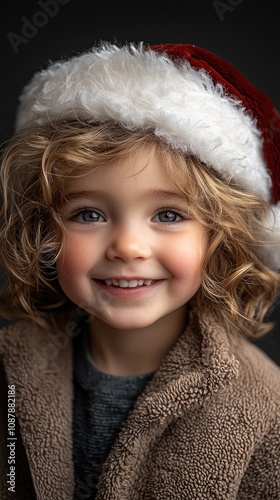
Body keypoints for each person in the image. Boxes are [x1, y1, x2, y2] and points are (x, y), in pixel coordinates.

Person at [0, 41, 279, 500]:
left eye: (168, 215)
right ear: (44, 231)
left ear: (219, 236)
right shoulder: (11, 372)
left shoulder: (266, 410)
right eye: (89, 214)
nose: (128, 247)